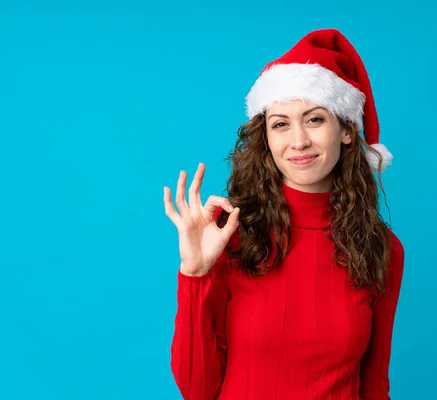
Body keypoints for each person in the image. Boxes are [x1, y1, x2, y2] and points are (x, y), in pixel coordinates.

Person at [163, 28, 405, 400]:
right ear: (267, 138)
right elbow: (197, 390)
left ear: (345, 129)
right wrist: (194, 274)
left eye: (315, 119)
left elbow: (374, 386)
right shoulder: (231, 233)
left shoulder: (382, 248)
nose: (298, 141)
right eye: (280, 124)